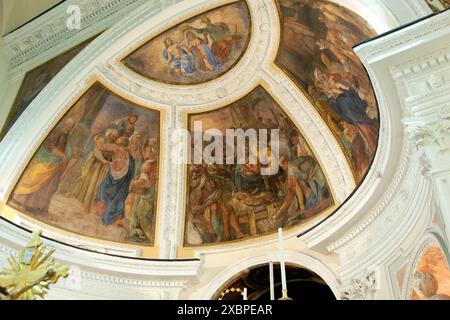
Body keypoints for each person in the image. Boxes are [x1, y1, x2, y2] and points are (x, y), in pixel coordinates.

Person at [12, 118, 76, 214]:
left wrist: (68, 155)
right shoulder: (57, 132)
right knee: (35, 181)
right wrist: (61, 155)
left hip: (55, 164)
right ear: (65, 124)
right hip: (46, 161)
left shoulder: (67, 136)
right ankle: (22, 202)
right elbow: (48, 145)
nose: (69, 127)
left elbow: (67, 151)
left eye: (71, 126)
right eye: (68, 125)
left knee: (47, 187)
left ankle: (36, 207)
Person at [71, 128, 119, 214]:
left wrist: (109, 162)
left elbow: (111, 157)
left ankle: (87, 205)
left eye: (114, 136)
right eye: (111, 135)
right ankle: (75, 195)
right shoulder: (101, 139)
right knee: (85, 179)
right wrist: (104, 161)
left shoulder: (112, 145)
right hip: (93, 164)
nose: (112, 137)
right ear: (108, 134)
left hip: (100, 167)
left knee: (93, 185)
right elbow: (96, 152)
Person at [97, 137, 135, 226]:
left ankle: (110, 217)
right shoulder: (127, 154)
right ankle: (112, 216)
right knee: (116, 197)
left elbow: (101, 147)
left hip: (120, 175)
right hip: (119, 175)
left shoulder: (116, 148)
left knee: (106, 190)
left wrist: (96, 139)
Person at [128, 160, 157, 242]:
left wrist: (135, 182)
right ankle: (143, 233)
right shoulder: (145, 177)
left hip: (145, 206)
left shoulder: (147, 179)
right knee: (139, 214)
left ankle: (150, 236)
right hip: (143, 203)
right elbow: (133, 188)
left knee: (144, 219)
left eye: (146, 168)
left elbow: (134, 186)